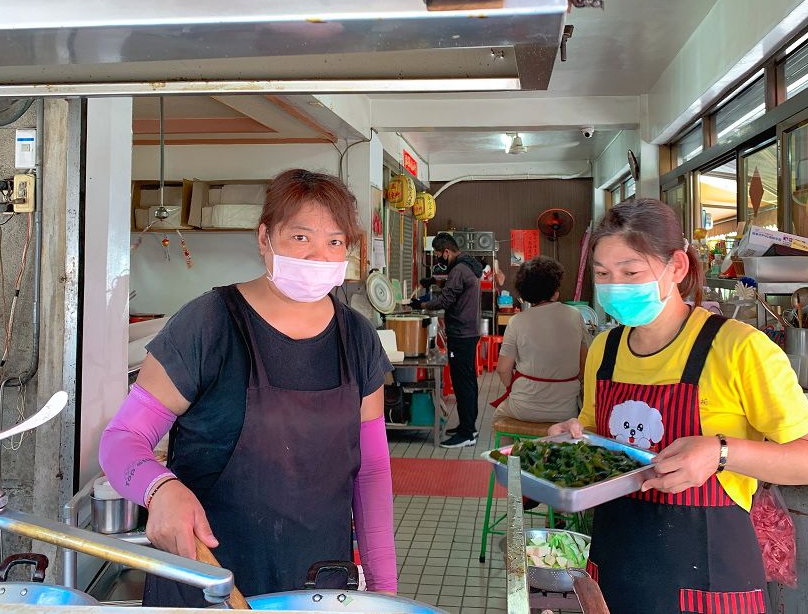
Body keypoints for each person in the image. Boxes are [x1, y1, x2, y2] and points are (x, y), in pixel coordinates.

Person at [99, 169, 396, 606]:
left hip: (317, 588)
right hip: (208, 581)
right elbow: (122, 440)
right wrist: (159, 488)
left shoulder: (357, 337)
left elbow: (371, 472)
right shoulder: (208, 324)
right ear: (265, 238)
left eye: (334, 242)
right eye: (300, 238)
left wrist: (385, 593)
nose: (318, 256)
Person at [549, 199, 808, 612]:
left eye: (631, 272)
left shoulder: (738, 347)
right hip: (616, 562)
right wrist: (573, 442)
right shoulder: (604, 350)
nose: (615, 285)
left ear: (678, 268)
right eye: (603, 274)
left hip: (710, 576)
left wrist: (720, 452)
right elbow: (599, 439)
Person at [490, 256, 587, 423]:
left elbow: (503, 369)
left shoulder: (517, 321)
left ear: (524, 292)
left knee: (499, 417)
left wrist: (511, 388)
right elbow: (584, 364)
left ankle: (513, 449)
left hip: (523, 407)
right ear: (555, 289)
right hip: (566, 411)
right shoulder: (575, 315)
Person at [412, 232, 483, 448]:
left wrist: (421, 305)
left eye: (438, 256)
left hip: (461, 333)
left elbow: (446, 299)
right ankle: (468, 426)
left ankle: (467, 433)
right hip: (469, 331)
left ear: (446, 252)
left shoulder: (459, 270)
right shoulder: (467, 265)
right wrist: (434, 280)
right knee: (467, 381)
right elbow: (452, 284)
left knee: (462, 383)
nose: (438, 261)